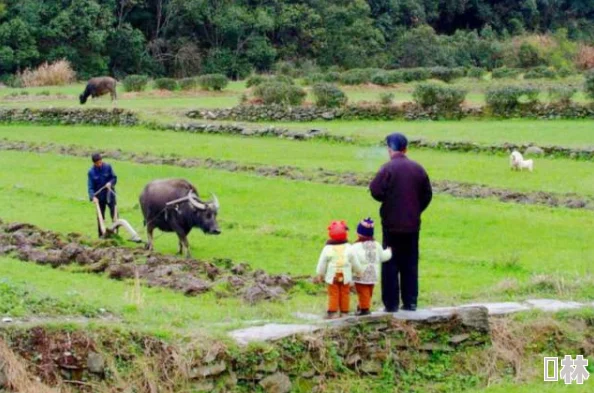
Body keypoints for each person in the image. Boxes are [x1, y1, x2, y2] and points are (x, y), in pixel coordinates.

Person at [369, 133, 432, 312]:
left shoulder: (387, 169)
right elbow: (427, 195)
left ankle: (391, 304)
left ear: (390, 149)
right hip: (412, 225)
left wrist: (389, 201)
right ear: (406, 149)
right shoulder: (418, 169)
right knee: (410, 263)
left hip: (391, 225)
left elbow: (375, 191)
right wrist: (415, 210)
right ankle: (410, 302)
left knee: (390, 263)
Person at [316, 220, 362, 319]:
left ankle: (333, 312)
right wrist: (358, 271)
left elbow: (322, 262)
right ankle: (344, 312)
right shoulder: (349, 247)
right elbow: (354, 261)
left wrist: (320, 274)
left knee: (333, 293)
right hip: (345, 275)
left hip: (333, 276)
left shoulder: (327, 248)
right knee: (345, 293)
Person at [351, 218, 392, 316]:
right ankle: (362, 305)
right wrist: (389, 251)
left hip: (360, 275)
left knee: (363, 292)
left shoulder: (355, 247)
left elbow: (351, 258)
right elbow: (383, 256)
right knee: (368, 292)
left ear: (359, 234)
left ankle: (364, 309)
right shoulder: (376, 245)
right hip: (373, 274)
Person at [87, 153, 118, 237]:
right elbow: (90, 187)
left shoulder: (108, 167)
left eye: (100, 162)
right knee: (100, 217)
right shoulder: (91, 172)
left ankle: (116, 234)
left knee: (115, 215)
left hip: (109, 195)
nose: (99, 164)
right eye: (97, 163)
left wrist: (110, 183)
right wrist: (93, 197)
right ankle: (101, 236)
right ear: (94, 163)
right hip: (99, 198)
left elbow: (114, 178)